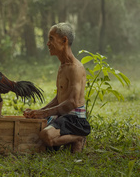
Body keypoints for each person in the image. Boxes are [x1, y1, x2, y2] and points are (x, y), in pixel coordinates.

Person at [23, 23, 91, 153]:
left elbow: (73, 102)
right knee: (33, 130)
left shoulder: (75, 68)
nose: (48, 44)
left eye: (51, 39)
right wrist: (39, 111)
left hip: (74, 119)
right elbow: (59, 98)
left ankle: (78, 138)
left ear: (64, 40)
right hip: (63, 116)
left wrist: (45, 113)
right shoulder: (62, 66)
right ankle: (65, 140)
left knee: (45, 136)